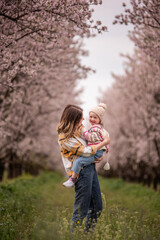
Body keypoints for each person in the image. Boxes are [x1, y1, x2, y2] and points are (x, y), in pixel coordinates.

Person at [57, 104, 110, 231]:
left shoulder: (79, 129)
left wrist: (100, 154)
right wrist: (104, 143)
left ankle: (87, 235)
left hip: (90, 168)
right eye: (80, 118)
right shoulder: (64, 137)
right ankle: (74, 235)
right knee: (81, 211)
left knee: (97, 207)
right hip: (80, 172)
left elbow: (92, 143)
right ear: (73, 120)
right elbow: (85, 151)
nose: (83, 120)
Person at [62, 103, 110, 188]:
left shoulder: (95, 128)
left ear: (100, 119)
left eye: (95, 117)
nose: (91, 119)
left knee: (78, 162)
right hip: (93, 154)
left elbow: (90, 138)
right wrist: (104, 146)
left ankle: (72, 179)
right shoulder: (98, 128)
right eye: (90, 117)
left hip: (94, 153)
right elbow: (104, 139)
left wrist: (84, 132)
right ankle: (72, 178)